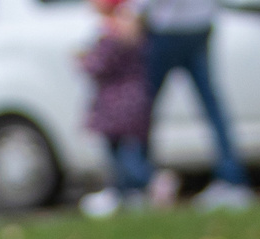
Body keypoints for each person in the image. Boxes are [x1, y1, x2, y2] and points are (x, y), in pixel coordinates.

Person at [143, 0, 250, 209]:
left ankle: (140, 180)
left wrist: (134, 11)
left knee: (145, 108)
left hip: (167, 28)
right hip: (200, 24)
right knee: (212, 107)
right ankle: (232, 179)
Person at [77, 0, 152, 219]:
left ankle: (140, 184)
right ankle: (135, 190)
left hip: (113, 106)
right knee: (131, 150)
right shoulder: (135, 32)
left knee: (118, 155)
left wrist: (83, 61)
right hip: (136, 101)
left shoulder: (110, 36)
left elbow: (99, 66)